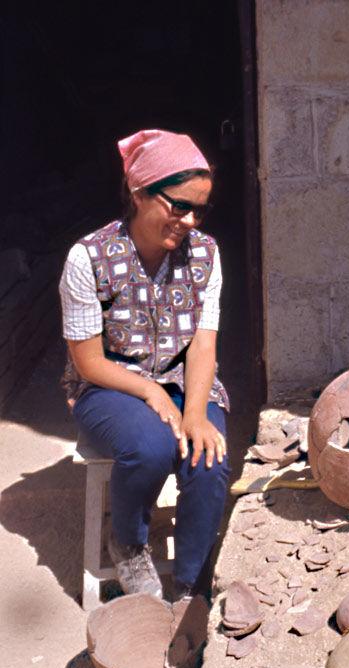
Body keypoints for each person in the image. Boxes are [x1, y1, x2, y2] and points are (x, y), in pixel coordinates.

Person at [59, 129, 230, 602]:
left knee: (208, 457)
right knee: (150, 447)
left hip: (183, 378)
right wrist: (151, 393)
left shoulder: (206, 255)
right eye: (179, 206)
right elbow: (88, 360)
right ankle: (129, 545)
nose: (190, 221)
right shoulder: (88, 258)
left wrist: (194, 412)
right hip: (107, 384)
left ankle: (191, 585)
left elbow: (202, 343)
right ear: (139, 193)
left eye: (200, 209)